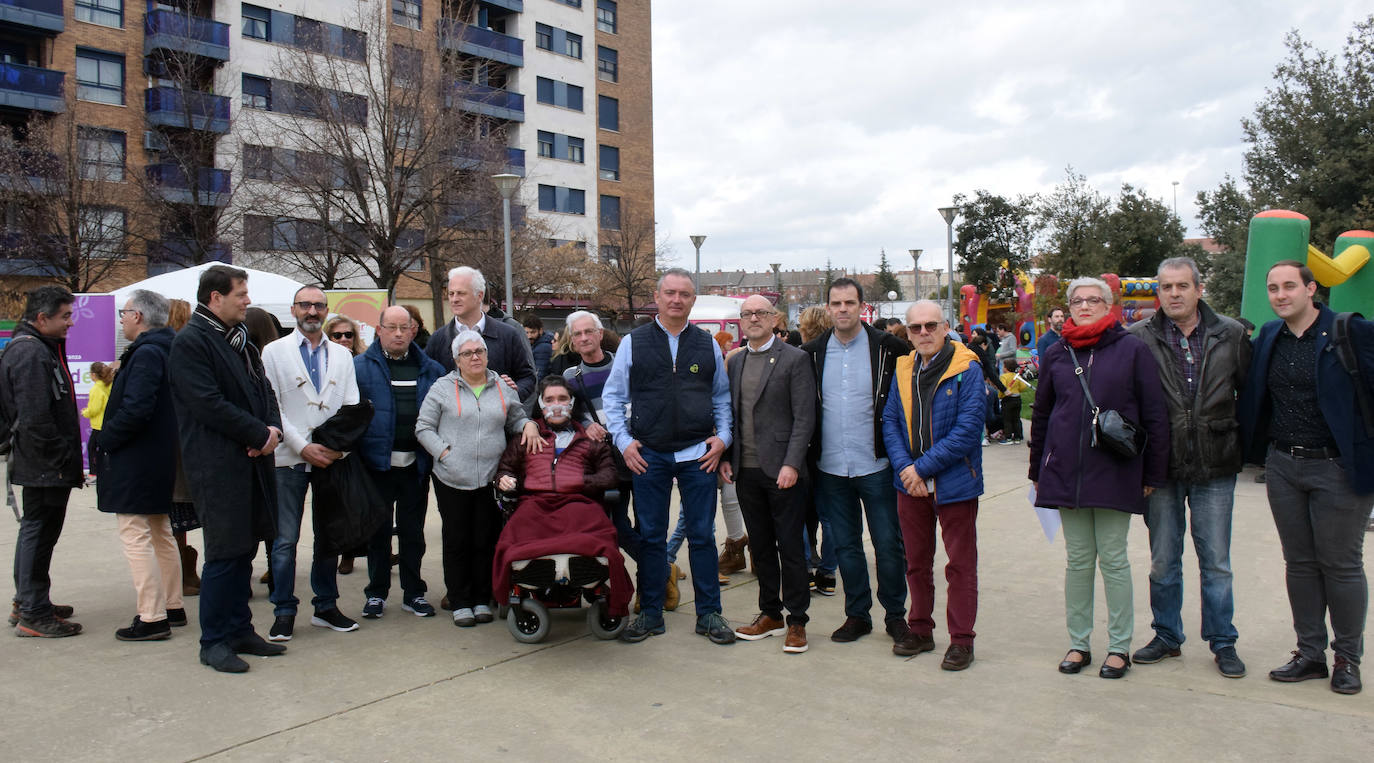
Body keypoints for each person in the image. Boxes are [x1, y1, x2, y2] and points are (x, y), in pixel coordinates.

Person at [1238, 260, 1374, 696]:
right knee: (1299, 563)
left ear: (1311, 288)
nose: (1280, 295)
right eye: (1273, 287)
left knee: (1341, 565)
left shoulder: (1350, 332)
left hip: (1338, 467)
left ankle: (1347, 659)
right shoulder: (1268, 338)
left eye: (1289, 287)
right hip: (1283, 467)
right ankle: (1310, 653)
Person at [1028, 276, 1169, 679]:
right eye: (1077, 301)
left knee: (1114, 559)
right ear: (1068, 307)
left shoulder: (1132, 350)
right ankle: (1079, 642)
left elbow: (1154, 415)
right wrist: (1037, 468)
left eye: (1093, 300)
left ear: (1109, 305)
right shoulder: (1057, 353)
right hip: (1066, 472)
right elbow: (1042, 415)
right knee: (1077, 560)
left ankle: (1119, 646)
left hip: (1115, 470)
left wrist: (1153, 471)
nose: (1084, 306)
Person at [1127, 257, 1251, 678]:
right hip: (1161, 466)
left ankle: (1223, 640)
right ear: (1157, 292)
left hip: (1216, 463)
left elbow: (1249, 395)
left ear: (1199, 289)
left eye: (1182, 286)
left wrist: (1243, 446)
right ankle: (1166, 635)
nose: (1174, 294)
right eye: (1166, 287)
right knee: (1163, 559)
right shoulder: (1138, 338)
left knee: (1216, 559)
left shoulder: (1231, 334)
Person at [603, 267, 736, 645]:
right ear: (657, 297)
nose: (677, 300)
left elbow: (721, 396)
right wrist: (624, 442)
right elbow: (613, 398)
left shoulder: (708, 344)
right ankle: (650, 612)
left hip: (698, 454)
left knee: (702, 536)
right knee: (650, 537)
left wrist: (723, 438)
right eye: (671, 293)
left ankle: (709, 613)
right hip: (650, 454)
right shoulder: (634, 342)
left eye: (685, 294)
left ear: (692, 300)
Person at [169, 265, 285, 673]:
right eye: (240, 294)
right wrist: (257, 433)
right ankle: (214, 640)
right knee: (224, 553)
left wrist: (272, 429)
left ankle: (240, 629)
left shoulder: (242, 342)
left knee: (246, 548)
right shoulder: (191, 343)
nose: (247, 301)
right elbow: (207, 403)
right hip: (218, 466)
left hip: (253, 461)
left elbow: (265, 390)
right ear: (215, 298)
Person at [801, 277, 912, 646]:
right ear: (828, 307)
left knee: (888, 544)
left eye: (850, 302)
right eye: (836, 303)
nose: (843, 309)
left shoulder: (889, 348)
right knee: (847, 546)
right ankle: (857, 615)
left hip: (877, 465)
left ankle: (896, 616)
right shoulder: (813, 352)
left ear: (862, 306)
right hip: (831, 467)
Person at [880, 300, 986, 670]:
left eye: (930, 326)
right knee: (916, 562)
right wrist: (907, 469)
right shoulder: (904, 368)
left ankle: (961, 640)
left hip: (954, 482)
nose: (923, 333)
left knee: (960, 565)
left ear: (945, 327)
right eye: (915, 328)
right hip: (910, 483)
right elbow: (890, 422)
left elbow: (969, 430)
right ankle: (920, 629)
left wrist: (922, 468)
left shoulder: (966, 368)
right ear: (907, 333)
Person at [260, 286, 362, 641]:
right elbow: (272, 407)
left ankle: (326, 606)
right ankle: (284, 609)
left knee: (328, 537)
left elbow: (350, 404)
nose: (312, 311)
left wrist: (335, 449)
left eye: (319, 305)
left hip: (330, 461)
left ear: (326, 310)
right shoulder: (273, 353)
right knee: (284, 540)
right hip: (288, 458)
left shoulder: (343, 356)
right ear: (293, 310)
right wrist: (303, 447)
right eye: (306, 305)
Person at [416, 329, 538, 627]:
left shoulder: (501, 387)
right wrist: (445, 454)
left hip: (490, 477)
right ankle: (460, 600)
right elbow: (423, 428)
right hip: (451, 477)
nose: (475, 357)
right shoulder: (443, 388)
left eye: (479, 352)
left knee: (486, 538)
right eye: (467, 353)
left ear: (487, 354)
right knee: (458, 539)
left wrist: (529, 424)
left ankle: (482, 598)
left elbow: (515, 418)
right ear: (456, 359)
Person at [721, 296, 816, 653]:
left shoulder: (795, 358)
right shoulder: (736, 361)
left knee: (790, 548)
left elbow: (805, 417)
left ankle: (797, 621)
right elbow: (730, 414)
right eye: (748, 314)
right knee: (760, 548)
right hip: (746, 470)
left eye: (761, 313)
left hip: (783, 471)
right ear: (741, 322)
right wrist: (727, 458)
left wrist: (793, 463)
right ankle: (770, 614)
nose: (755, 318)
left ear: (774, 319)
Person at [492, 376, 633, 616]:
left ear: (572, 402)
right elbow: (505, 469)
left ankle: (589, 577)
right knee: (513, 536)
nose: (556, 405)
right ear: (540, 403)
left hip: (579, 505)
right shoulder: (525, 438)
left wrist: (576, 482)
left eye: (562, 398)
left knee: (604, 541)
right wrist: (505, 480)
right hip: (534, 507)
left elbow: (610, 475)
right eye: (549, 399)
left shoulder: (590, 439)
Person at [98, 289, 184, 641]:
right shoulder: (166, 349)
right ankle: (172, 605)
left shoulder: (147, 353)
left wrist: (105, 438)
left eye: (124, 312)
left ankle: (152, 616)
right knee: (160, 532)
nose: (121, 318)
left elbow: (136, 409)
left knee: (136, 535)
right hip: (157, 456)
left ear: (138, 316)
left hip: (137, 458)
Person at [353, 306, 445, 620]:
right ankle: (376, 594)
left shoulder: (432, 369)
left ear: (413, 330)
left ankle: (413, 592)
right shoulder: (360, 368)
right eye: (390, 327)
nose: (397, 333)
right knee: (377, 533)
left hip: (415, 466)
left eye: (403, 327)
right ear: (378, 330)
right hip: (375, 467)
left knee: (412, 533)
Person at [2, 285, 83, 638]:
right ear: (41, 318)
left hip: (44, 461)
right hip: (44, 463)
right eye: (65, 316)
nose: (70, 323)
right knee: (38, 530)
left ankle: (30, 601)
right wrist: (61, 456)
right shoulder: (31, 354)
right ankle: (32, 611)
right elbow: (35, 416)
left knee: (38, 530)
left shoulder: (37, 348)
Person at [561, 310, 644, 569]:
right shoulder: (569, 377)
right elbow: (570, 415)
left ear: (600, 334)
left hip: (639, 454)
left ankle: (650, 588)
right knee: (616, 527)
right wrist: (586, 425)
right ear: (572, 341)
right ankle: (662, 568)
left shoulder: (625, 365)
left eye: (589, 332)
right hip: (606, 462)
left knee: (648, 525)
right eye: (578, 334)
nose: (584, 338)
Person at [426, 266, 536, 399]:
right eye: (451, 293)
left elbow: (527, 377)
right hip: (453, 419)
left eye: (461, 293)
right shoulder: (438, 340)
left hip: (499, 418)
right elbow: (427, 382)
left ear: (479, 296)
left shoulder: (508, 335)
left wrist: (511, 395)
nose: (454, 299)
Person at [796, 305, 836, 592]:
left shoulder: (799, 356)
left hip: (803, 444)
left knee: (797, 511)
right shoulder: (836, 354)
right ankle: (829, 571)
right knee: (830, 513)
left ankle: (806, 565)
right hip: (831, 443)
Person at [166, 299, 202, 597]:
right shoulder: (193, 349)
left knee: (173, 520)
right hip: (190, 447)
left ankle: (182, 573)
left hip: (172, 448)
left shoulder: (169, 351)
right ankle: (186, 573)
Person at [81, 361, 113, 484]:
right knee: (103, 450)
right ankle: (103, 472)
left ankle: (94, 473)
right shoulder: (108, 386)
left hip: (98, 425)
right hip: (106, 423)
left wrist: (85, 412)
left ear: (93, 374)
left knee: (92, 448)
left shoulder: (96, 389)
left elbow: (94, 409)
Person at [998, 359, 1029, 444]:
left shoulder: (1004, 377)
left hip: (1007, 399)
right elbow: (1023, 386)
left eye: (1003, 366)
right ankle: (1018, 437)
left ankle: (1008, 438)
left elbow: (1002, 388)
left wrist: (1000, 396)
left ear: (1006, 368)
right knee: (1016, 418)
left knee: (1007, 419)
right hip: (1017, 399)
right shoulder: (1017, 376)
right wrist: (1017, 389)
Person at [524, 314, 554, 380]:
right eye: (527, 332)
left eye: (532, 332)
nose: (529, 336)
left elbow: (539, 374)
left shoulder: (543, 348)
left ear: (540, 330)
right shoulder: (538, 344)